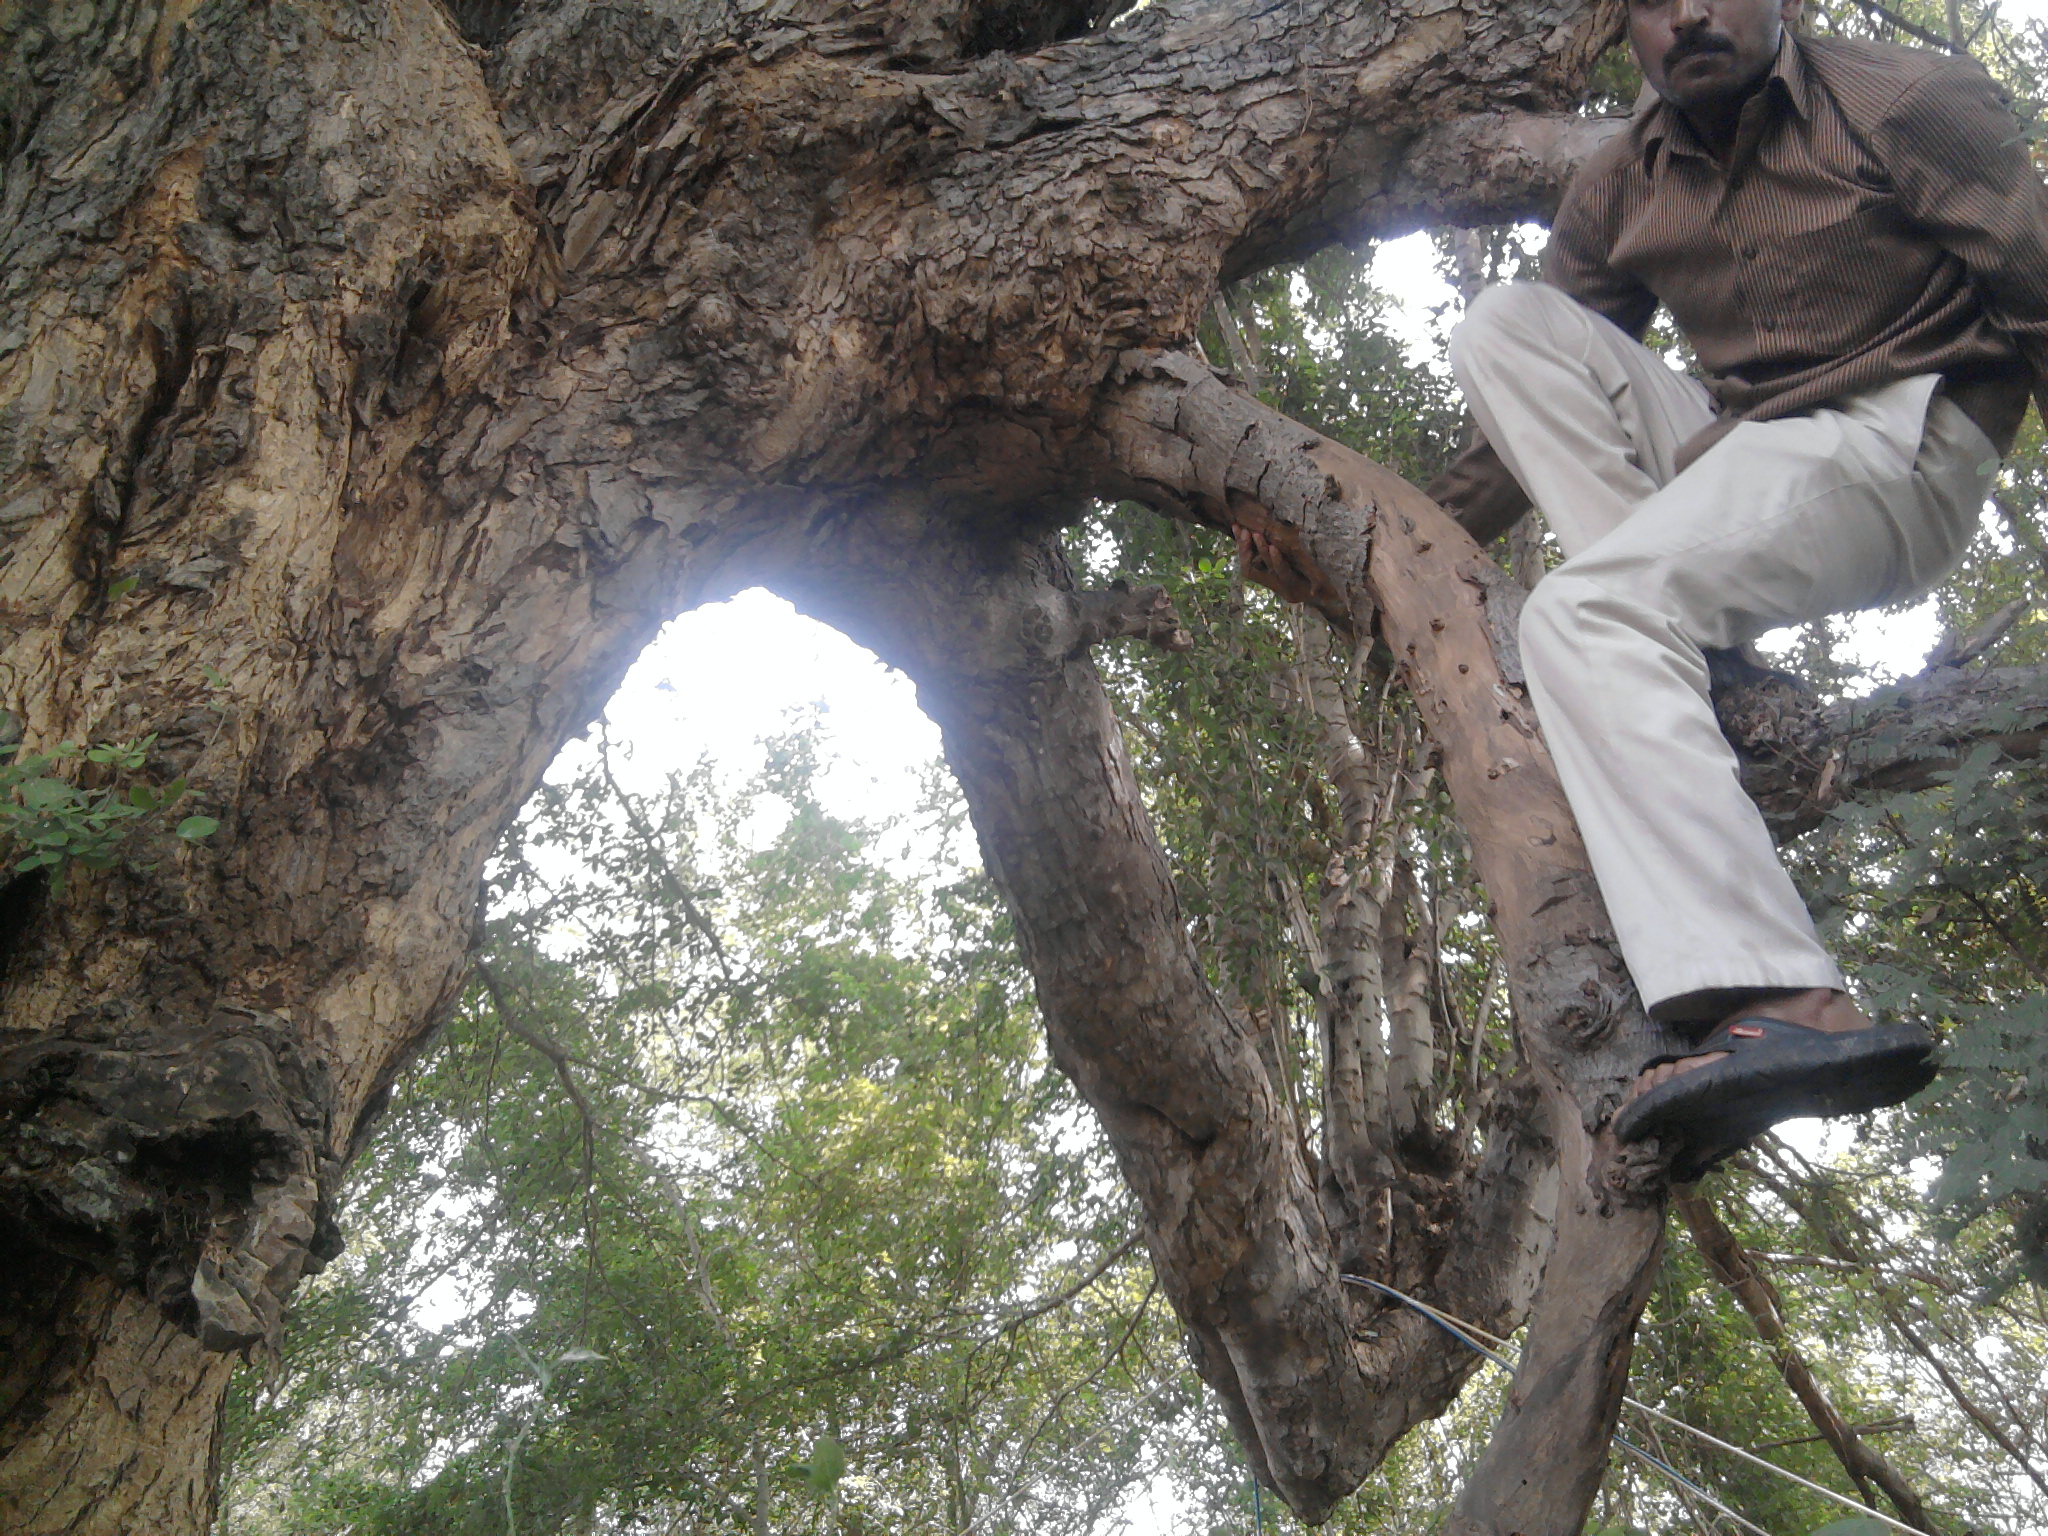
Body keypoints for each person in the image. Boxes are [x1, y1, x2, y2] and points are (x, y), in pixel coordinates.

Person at [1252, 0, 2048, 1177]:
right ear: (1621, 29)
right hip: (1745, 457)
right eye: (1651, 1)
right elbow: (1518, 424)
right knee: (1506, 326)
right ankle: (1664, 632)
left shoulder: (1898, 103)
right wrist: (1370, 546)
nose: (1686, 15)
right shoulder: (1625, 179)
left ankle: (1785, 992)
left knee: (1583, 611)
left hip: (1904, 444)